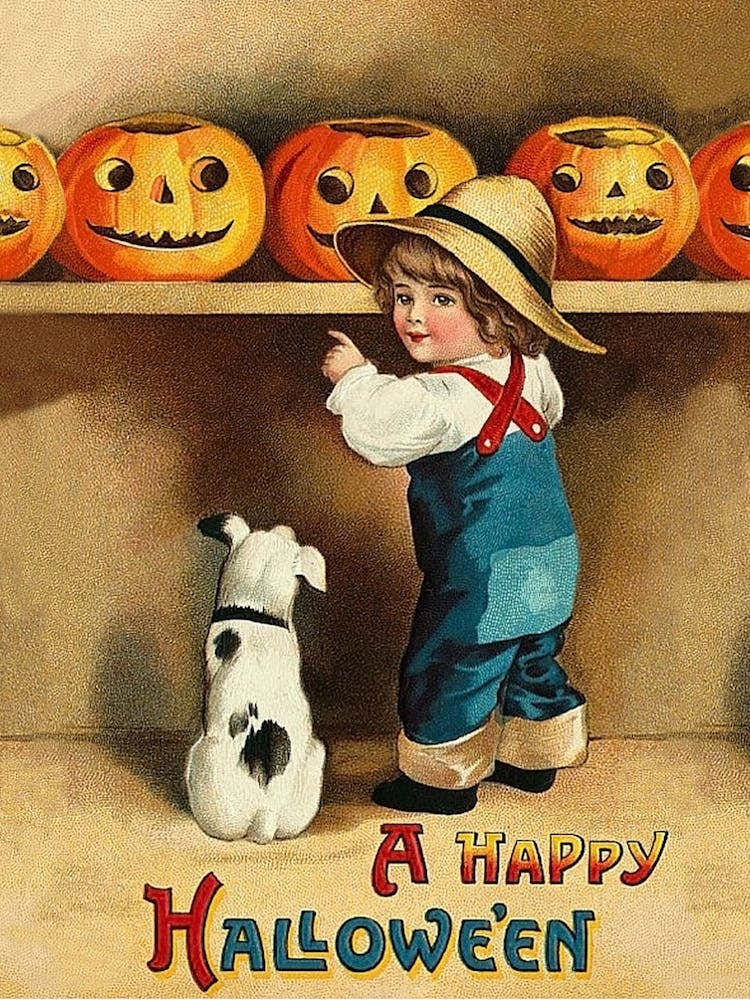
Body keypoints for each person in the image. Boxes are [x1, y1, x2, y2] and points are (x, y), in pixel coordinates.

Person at [321, 175, 605, 815]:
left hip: (479, 573)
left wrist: (355, 380)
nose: (413, 316)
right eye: (402, 296)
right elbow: (549, 412)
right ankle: (535, 757)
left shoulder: (443, 398)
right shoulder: (531, 370)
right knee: (534, 657)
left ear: (501, 312)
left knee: (451, 667)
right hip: (554, 557)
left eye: (441, 298)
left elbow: (378, 431)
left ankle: (438, 778)